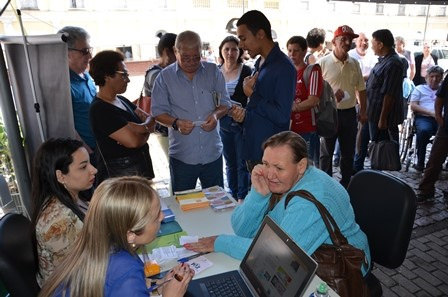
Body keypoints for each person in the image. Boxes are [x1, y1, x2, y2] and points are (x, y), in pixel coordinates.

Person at [184, 131, 371, 276]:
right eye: (265, 164)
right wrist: (259, 195)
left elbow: (277, 253)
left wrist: (220, 242)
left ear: (301, 166)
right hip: (306, 255)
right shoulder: (286, 182)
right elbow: (242, 230)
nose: (269, 174)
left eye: (279, 168)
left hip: (344, 267)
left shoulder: (311, 199)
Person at [38, 176, 194, 297]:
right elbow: (121, 280)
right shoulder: (125, 270)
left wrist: (157, 284)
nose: (161, 217)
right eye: (155, 217)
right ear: (130, 235)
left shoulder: (95, 246)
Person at [151, 31, 231, 193]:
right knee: (182, 202)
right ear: (176, 52)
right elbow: (158, 112)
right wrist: (176, 123)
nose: (192, 62)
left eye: (196, 57)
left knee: (217, 201)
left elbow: (225, 103)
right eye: (186, 58)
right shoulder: (164, 78)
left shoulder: (213, 71)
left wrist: (215, 116)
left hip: (212, 153)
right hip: (182, 156)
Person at [231, 10, 296, 172]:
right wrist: (243, 115)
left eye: (243, 38)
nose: (241, 45)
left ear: (260, 34)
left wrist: (252, 94)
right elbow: (260, 108)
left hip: (270, 156)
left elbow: (281, 116)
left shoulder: (283, 67)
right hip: (253, 147)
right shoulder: (259, 63)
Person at [30, 138, 97, 286]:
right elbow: (86, 271)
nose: (94, 170)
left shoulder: (72, 198)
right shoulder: (59, 221)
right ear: (61, 176)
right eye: (83, 167)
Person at [89, 50, 155, 185]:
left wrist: (139, 128)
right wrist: (145, 128)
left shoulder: (121, 100)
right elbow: (134, 142)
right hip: (123, 182)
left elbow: (151, 119)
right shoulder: (100, 109)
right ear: (107, 76)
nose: (128, 79)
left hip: (140, 173)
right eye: (124, 75)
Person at [317, 25, 367, 188]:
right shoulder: (322, 63)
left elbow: (361, 89)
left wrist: (364, 111)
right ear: (334, 42)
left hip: (349, 113)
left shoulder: (355, 63)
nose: (347, 42)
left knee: (348, 152)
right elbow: (315, 92)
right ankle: (325, 184)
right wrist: (331, 93)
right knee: (326, 152)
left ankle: (346, 184)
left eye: (349, 39)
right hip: (328, 113)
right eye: (342, 39)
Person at [218, 36, 252, 201]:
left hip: (241, 123)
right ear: (221, 51)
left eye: (234, 49)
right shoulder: (216, 72)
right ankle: (232, 194)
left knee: (241, 162)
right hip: (223, 123)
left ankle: (242, 196)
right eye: (227, 49)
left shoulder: (246, 71)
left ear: (239, 52)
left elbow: (251, 97)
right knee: (229, 162)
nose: (230, 53)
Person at [57, 26, 97, 158]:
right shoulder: (63, 85)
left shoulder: (87, 77)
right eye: (85, 51)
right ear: (66, 52)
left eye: (89, 50)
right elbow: (66, 126)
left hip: (101, 148)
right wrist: (87, 153)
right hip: (87, 153)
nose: (90, 56)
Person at [286, 36, 323, 166]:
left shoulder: (312, 71)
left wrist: (292, 107)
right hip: (289, 128)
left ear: (304, 51)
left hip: (307, 128)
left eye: (296, 50)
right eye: (289, 50)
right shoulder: (286, 72)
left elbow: (313, 100)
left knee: (308, 166)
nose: (292, 54)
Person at [143, 33, 177, 161]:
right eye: (178, 51)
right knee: (176, 165)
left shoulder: (171, 72)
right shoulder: (156, 74)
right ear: (167, 52)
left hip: (175, 127)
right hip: (165, 129)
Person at [367, 29, 404, 144]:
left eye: (373, 43)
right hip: (373, 113)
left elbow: (389, 94)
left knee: (383, 150)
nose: (371, 46)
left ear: (380, 44)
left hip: (382, 117)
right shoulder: (385, 60)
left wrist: (382, 119)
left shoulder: (393, 63)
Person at [348, 32, 378, 172]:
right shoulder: (351, 56)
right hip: (350, 97)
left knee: (361, 131)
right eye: (361, 40)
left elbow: (370, 77)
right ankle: (341, 156)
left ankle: (356, 158)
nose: (364, 43)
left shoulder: (373, 58)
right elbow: (353, 79)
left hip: (367, 98)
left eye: (366, 40)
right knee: (348, 129)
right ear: (356, 41)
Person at [417, 74, 448, 203]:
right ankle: (426, 190)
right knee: (435, 159)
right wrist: (439, 117)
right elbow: (439, 98)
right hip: (446, 127)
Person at [409, 65, 444, 171]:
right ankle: (420, 162)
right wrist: (432, 113)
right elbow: (413, 105)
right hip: (424, 117)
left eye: (437, 77)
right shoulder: (419, 89)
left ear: (441, 78)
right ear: (427, 77)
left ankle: (440, 161)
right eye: (432, 76)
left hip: (442, 118)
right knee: (424, 131)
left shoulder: (444, 90)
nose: (434, 79)